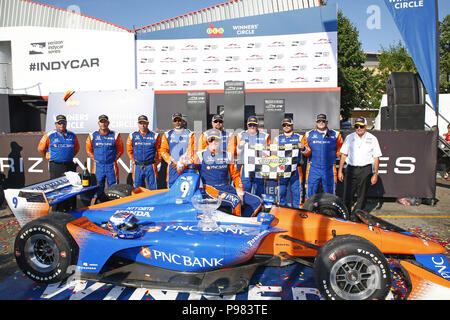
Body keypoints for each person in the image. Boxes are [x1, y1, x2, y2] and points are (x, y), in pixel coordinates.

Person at [192, 129, 262, 217]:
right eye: (211, 140)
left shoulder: (228, 155)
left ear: (221, 141)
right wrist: (181, 163)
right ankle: (236, 226)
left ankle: (245, 221)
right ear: (207, 141)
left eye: (216, 139)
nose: (213, 142)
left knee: (257, 201)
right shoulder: (200, 155)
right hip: (210, 189)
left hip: (227, 187)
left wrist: (240, 191)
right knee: (235, 201)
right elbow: (185, 166)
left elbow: (236, 175)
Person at [338, 117, 381, 218]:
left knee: (362, 196)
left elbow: (376, 158)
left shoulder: (372, 138)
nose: (358, 128)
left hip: (365, 170)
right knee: (347, 194)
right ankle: (346, 215)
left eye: (361, 126)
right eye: (356, 126)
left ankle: (356, 216)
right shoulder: (349, 137)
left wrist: (375, 174)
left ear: (366, 127)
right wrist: (340, 171)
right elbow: (343, 155)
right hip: (351, 169)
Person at [301, 114, 343, 199]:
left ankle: (329, 212)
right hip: (313, 168)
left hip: (330, 169)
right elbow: (307, 153)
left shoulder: (336, 135)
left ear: (326, 122)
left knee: (330, 195)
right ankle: (309, 212)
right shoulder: (308, 135)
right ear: (316, 122)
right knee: (310, 194)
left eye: (323, 121)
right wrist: (303, 149)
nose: (321, 123)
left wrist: (332, 157)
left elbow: (341, 151)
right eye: (319, 121)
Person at [273, 117, 308, 208]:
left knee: (296, 192)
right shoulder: (277, 139)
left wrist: (303, 148)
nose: (286, 126)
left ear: (292, 126)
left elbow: (308, 151)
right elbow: (273, 155)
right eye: (284, 125)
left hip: (295, 168)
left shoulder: (300, 137)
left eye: (288, 125)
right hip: (282, 168)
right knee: (281, 192)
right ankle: (281, 211)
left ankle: (298, 213)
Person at [86, 115, 124, 193]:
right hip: (98, 166)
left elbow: (120, 150)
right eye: (101, 122)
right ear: (98, 123)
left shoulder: (115, 135)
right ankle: (98, 204)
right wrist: (96, 158)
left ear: (108, 123)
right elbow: (88, 150)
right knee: (97, 187)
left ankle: (114, 204)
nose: (103, 124)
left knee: (114, 188)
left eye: (105, 122)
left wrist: (113, 159)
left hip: (111, 166)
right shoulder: (92, 135)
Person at [236, 116, 270, 197]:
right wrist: (240, 146)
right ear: (247, 125)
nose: (252, 127)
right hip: (246, 166)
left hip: (259, 167)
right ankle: (246, 208)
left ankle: (259, 208)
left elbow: (269, 152)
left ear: (257, 125)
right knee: (245, 189)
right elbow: (237, 154)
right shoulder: (241, 135)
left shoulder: (264, 136)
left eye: (254, 125)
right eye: (250, 125)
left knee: (259, 190)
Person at [38, 114, 80, 179]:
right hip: (56, 165)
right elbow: (41, 149)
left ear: (66, 123)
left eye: (64, 122)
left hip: (69, 164)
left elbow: (76, 148)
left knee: (71, 185)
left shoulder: (72, 135)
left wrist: (67, 156)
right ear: (56, 124)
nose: (62, 125)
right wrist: (48, 158)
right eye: (59, 123)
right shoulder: (49, 135)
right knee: (56, 186)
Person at [159, 113, 195, 187]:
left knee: (186, 188)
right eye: (175, 121)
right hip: (173, 166)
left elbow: (191, 150)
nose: (177, 122)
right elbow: (163, 150)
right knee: (171, 187)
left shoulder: (190, 134)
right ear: (173, 122)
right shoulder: (167, 134)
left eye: (179, 120)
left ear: (182, 121)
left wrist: (183, 162)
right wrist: (172, 161)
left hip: (185, 166)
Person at [127, 115, 161, 189]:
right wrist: (134, 161)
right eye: (140, 123)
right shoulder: (133, 135)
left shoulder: (155, 135)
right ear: (138, 124)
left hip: (150, 166)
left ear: (148, 124)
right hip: (137, 166)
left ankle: (153, 201)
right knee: (138, 189)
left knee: (153, 188)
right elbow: (129, 150)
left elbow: (159, 150)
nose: (142, 125)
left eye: (144, 123)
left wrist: (157, 161)